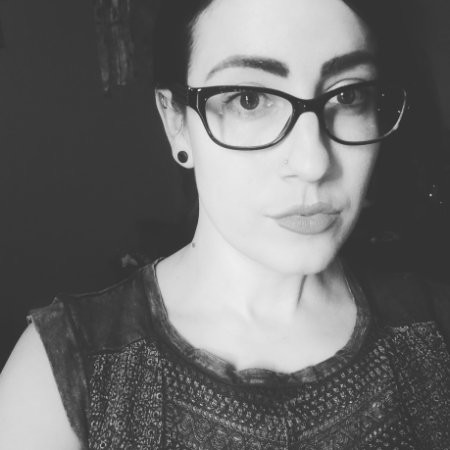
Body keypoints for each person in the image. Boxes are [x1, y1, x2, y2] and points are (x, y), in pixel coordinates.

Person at [1, 0, 449, 448]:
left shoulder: (436, 331)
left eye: (348, 95)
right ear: (176, 122)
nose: (313, 163)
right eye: (249, 100)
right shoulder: (63, 374)